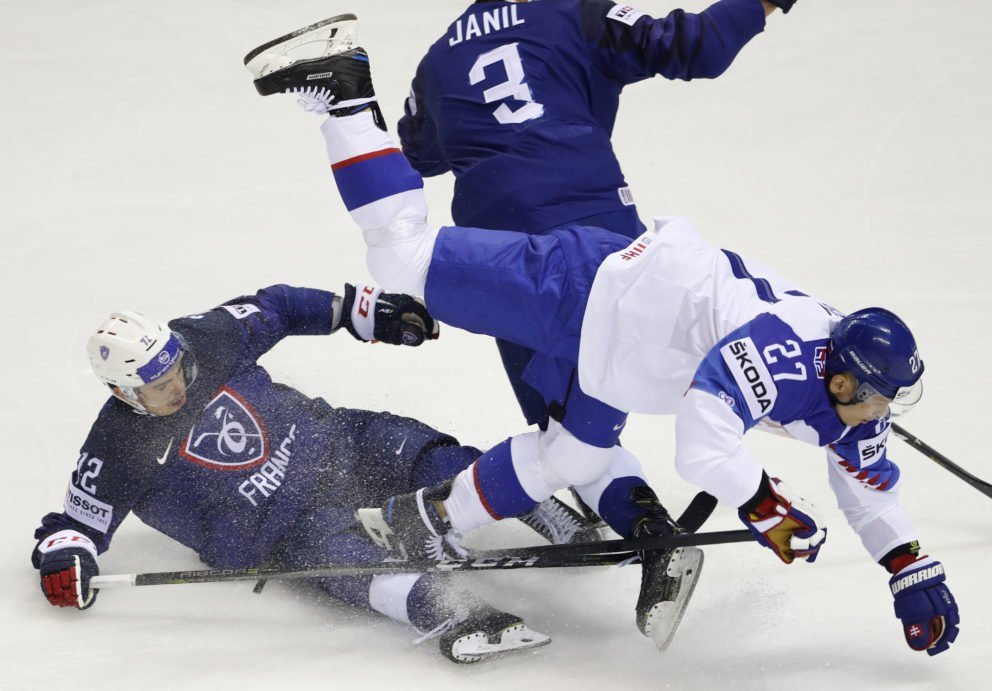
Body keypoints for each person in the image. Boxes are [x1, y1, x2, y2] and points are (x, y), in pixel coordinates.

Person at [246, 36, 960, 657]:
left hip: (625, 349)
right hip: (586, 291)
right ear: (841, 382)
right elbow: (702, 445)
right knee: (400, 262)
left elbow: (864, 484)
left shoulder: (850, 390)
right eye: (877, 397)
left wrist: (907, 564)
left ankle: (421, 521)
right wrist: (766, 503)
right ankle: (344, 92)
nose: (882, 411)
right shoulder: (777, 351)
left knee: (577, 452)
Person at [31, 283, 555, 663]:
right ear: (123, 393)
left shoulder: (203, 340)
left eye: (177, 371)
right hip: (285, 528)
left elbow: (277, 307)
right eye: (158, 387)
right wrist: (65, 560)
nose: (178, 388)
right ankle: (459, 613)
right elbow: (76, 526)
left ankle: (535, 500)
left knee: (421, 449)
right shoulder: (119, 445)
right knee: (348, 565)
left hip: (336, 441)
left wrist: (362, 312)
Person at [398, 0, 789, 430]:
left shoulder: (436, 60)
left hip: (494, 231)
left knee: (561, 414)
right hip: (589, 208)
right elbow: (696, 47)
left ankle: (605, 487)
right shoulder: (575, 12)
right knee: (693, 349)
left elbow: (421, 156)